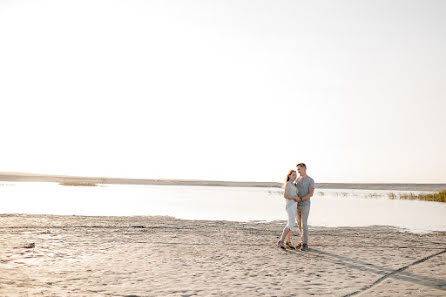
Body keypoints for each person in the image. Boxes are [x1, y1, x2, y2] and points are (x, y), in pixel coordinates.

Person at [277, 170, 300, 249]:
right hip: (290, 205)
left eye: (295, 175)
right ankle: (281, 241)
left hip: (294, 205)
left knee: (290, 224)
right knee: (291, 223)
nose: (295, 176)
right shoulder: (288, 184)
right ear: (289, 176)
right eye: (293, 175)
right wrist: (294, 198)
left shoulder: (294, 185)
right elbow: (285, 196)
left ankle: (288, 241)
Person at [294, 163, 315, 251]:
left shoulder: (310, 180)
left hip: (305, 204)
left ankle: (305, 243)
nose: (298, 171)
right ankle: (302, 240)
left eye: (299, 169)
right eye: (297, 170)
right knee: (299, 224)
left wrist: (301, 199)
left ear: (304, 168)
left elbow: (311, 194)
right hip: (296, 205)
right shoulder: (297, 180)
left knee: (304, 224)